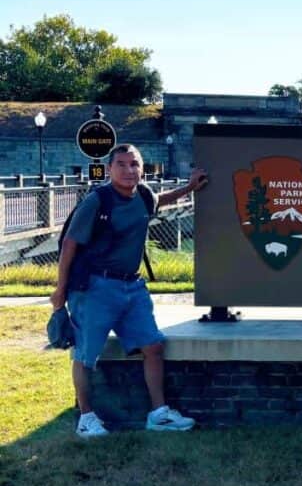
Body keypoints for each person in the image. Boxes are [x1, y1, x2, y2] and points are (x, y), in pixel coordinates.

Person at [50, 144, 208, 438]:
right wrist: (60, 290)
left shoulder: (144, 195)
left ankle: (159, 414)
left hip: (133, 287)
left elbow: (160, 200)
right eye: (121, 164)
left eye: (134, 164)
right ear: (109, 169)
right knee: (85, 355)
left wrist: (189, 188)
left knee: (153, 346)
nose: (128, 170)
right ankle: (86, 418)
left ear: (142, 168)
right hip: (95, 287)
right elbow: (70, 245)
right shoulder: (97, 202)